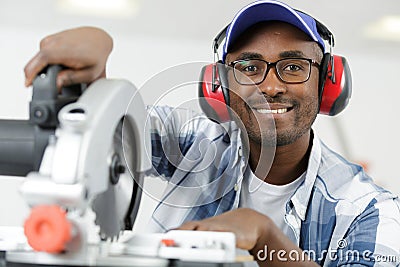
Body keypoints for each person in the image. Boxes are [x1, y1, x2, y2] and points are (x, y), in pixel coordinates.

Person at [23, 0, 400, 266]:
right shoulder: (194, 143)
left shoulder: (369, 209)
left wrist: (267, 238)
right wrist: (94, 78)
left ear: (329, 84)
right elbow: (113, 131)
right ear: (218, 87)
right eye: (249, 68)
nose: (270, 87)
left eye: (293, 66)